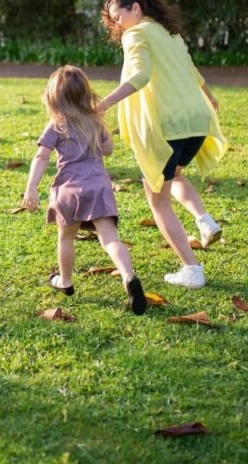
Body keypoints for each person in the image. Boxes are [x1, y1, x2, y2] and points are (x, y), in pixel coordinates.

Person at [96, 0, 228, 290]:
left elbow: (139, 76)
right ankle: (204, 221)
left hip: (167, 127)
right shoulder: (171, 34)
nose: (117, 25)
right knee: (174, 175)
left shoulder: (136, 34)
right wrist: (209, 97)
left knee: (158, 200)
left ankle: (191, 269)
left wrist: (105, 103)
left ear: (136, 9)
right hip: (196, 121)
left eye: (119, 17)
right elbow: (192, 71)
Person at [22, 66, 147, 315]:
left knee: (66, 237)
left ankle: (65, 282)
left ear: (53, 98)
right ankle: (128, 276)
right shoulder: (94, 122)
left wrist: (31, 188)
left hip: (68, 188)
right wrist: (101, 128)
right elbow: (108, 150)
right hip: (98, 186)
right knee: (110, 238)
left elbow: (41, 156)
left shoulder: (56, 125)